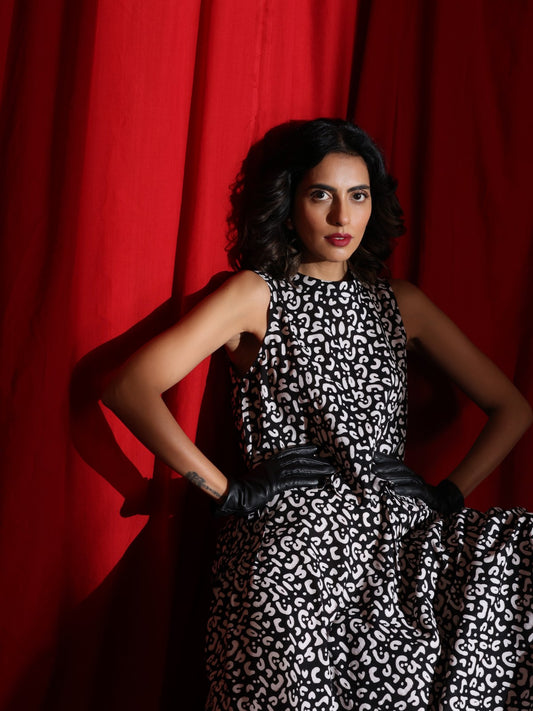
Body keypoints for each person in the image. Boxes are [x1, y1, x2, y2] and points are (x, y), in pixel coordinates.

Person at [102, 119, 533, 710]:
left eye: (358, 196)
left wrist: (449, 495)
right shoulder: (256, 295)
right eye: (321, 195)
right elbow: (129, 388)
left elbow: (512, 409)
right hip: (292, 548)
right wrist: (226, 492)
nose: (341, 216)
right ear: (287, 205)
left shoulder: (400, 303)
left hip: (400, 546)